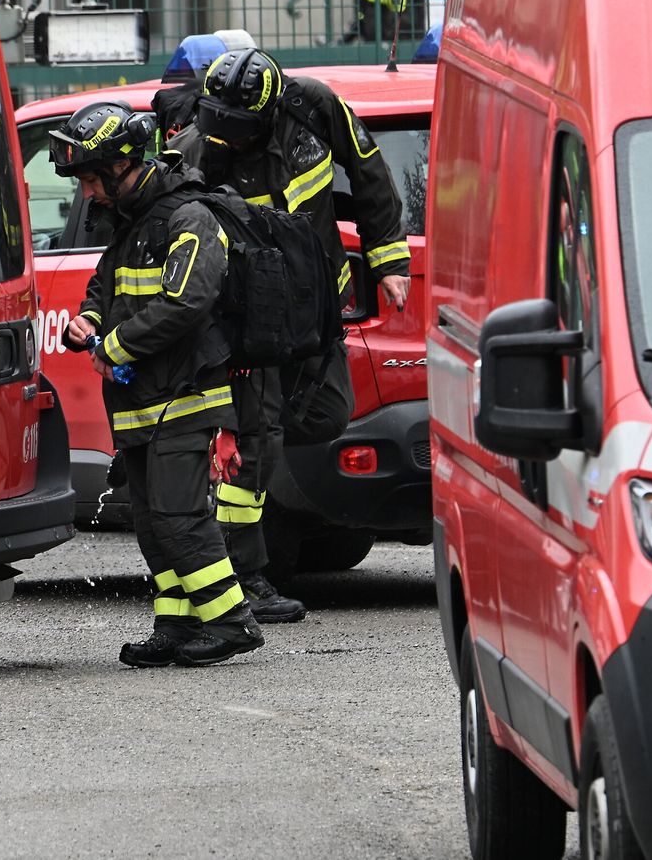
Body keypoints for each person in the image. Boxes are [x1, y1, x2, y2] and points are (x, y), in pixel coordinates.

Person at [171, 48, 412, 621]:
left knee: (329, 413)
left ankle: (261, 453)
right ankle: (244, 575)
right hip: (252, 320)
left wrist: (389, 260)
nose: (225, 134)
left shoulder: (313, 105)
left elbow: (369, 169)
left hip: (318, 303)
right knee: (257, 438)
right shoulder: (199, 150)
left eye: (238, 125)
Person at [52, 100, 265, 669]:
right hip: (143, 404)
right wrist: (88, 324)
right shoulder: (128, 225)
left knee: (179, 515)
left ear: (125, 165)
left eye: (93, 178)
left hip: (187, 397)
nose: (88, 192)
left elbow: (188, 300)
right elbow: (105, 288)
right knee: (151, 523)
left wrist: (115, 346)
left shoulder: (188, 218)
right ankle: (175, 624)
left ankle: (230, 621)